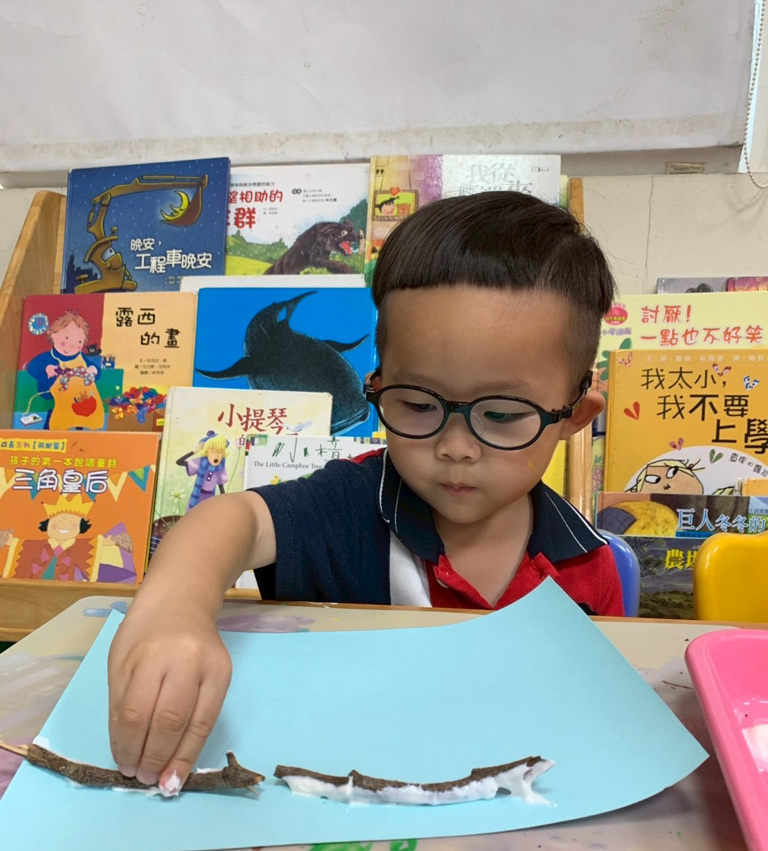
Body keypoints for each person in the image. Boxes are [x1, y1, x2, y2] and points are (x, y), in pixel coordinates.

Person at [108, 190, 622, 791]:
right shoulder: (347, 505)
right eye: (418, 404)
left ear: (574, 417)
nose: (456, 446)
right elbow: (233, 520)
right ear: (375, 385)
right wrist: (175, 607)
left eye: (503, 415)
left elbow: (594, 726)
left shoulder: (586, 566)